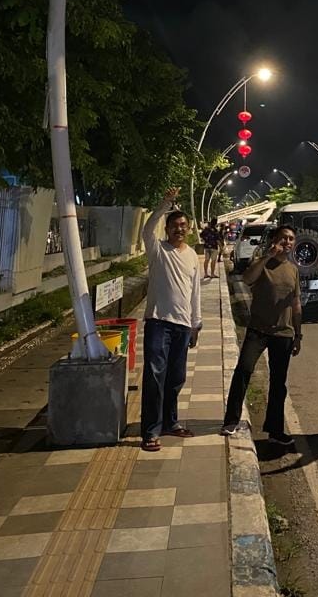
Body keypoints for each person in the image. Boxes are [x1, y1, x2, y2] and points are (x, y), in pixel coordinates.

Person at [221, 225, 302, 444]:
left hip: (283, 333)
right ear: (274, 241)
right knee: (244, 370)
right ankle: (231, 420)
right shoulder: (262, 263)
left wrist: (298, 334)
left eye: (291, 238)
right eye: (283, 238)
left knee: (278, 383)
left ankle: (275, 430)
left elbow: (295, 304)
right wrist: (267, 256)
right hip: (258, 330)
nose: (287, 242)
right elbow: (247, 279)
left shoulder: (293, 269)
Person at [140, 187, 202, 452]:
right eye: (175, 225)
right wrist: (165, 203)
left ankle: (171, 423)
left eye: (183, 225)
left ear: (189, 229)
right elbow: (147, 228)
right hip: (158, 322)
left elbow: (195, 292)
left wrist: (196, 323)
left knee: (176, 378)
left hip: (182, 326)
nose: (180, 229)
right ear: (167, 229)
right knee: (155, 377)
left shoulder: (191, 256)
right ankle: (151, 431)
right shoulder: (157, 251)